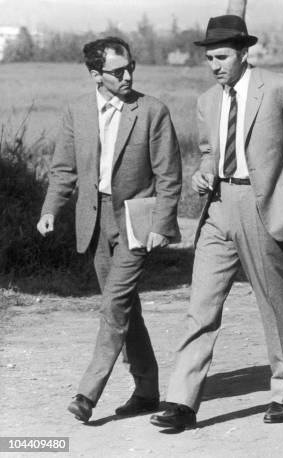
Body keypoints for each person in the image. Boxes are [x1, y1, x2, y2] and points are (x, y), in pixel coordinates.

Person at [150, 15, 283, 430]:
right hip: (217, 208)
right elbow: (210, 151)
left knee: (273, 304)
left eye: (222, 57)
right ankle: (181, 402)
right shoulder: (207, 100)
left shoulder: (279, 87)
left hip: (261, 205)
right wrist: (203, 171)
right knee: (201, 307)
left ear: (244, 53)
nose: (214, 65)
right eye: (209, 58)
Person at [37, 36, 182, 422]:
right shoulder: (77, 111)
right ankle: (148, 389)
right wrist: (51, 208)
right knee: (126, 308)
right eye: (118, 71)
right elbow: (64, 169)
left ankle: (87, 393)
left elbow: (169, 176)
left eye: (131, 66)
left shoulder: (153, 111)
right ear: (95, 75)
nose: (128, 75)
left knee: (113, 304)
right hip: (94, 219)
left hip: (137, 221)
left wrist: (162, 224)